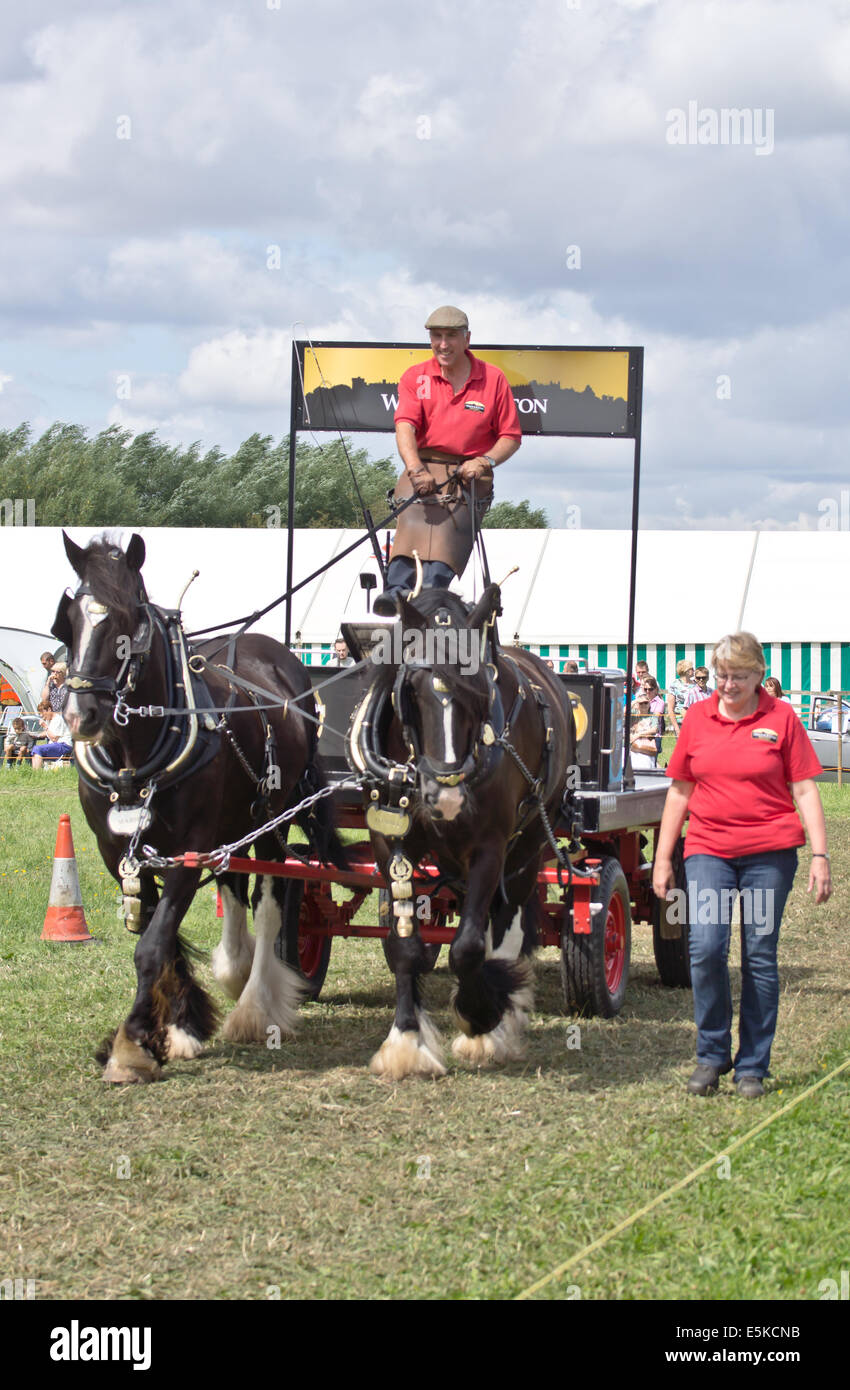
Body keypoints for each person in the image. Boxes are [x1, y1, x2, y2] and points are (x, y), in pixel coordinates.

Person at [652, 632, 831, 1099]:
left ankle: (752, 1066)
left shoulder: (781, 717)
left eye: (740, 676)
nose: (728, 685)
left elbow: (806, 789)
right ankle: (712, 1056)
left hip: (768, 855)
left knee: (758, 955)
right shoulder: (697, 717)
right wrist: (662, 858)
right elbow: (680, 791)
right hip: (709, 850)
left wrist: (819, 854)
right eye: (721, 676)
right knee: (706, 949)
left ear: (759, 674)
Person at [374, 305, 522, 614]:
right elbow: (405, 428)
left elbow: (510, 437)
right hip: (423, 464)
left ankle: (432, 590)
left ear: (467, 339)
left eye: (451, 336)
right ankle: (397, 588)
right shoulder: (416, 377)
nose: (443, 344)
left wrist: (485, 462)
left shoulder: (493, 379)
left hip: (469, 473)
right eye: (436, 336)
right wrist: (415, 469)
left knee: (449, 527)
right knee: (412, 514)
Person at [31, 700, 73, 770]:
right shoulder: (49, 719)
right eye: (40, 713)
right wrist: (36, 735)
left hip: (64, 745)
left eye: (42, 712)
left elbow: (54, 738)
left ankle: (37, 772)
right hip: (57, 745)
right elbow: (47, 733)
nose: (41, 715)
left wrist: (45, 726)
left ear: (49, 709)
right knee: (34, 749)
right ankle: (35, 772)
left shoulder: (58, 719)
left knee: (38, 749)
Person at [629, 689, 662, 769]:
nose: (643, 705)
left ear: (649, 703)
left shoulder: (653, 715)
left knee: (647, 768)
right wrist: (635, 701)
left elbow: (654, 729)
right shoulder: (634, 714)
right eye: (641, 703)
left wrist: (638, 735)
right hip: (634, 747)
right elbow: (622, 712)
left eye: (646, 703)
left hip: (647, 747)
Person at [666, 658, 696, 735]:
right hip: (681, 723)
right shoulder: (674, 685)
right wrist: (676, 728)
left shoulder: (696, 684)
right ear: (686, 670)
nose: (694, 670)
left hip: (696, 722)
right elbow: (670, 709)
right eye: (692, 668)